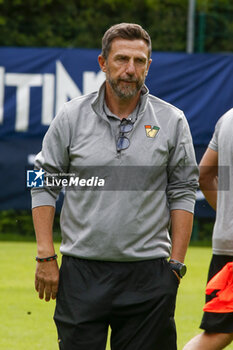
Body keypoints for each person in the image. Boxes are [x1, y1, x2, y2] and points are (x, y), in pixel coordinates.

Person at [31, 23, 198, 350]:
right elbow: (41, 181)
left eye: (139, 61)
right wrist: (45, 256)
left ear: (149, 66)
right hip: (81, 273)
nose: (130, 70)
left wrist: (175, 266)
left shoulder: (172, 120)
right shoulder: (71, 115)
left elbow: (183, 191)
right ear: (102, 62)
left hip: (149, 276)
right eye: (121, 59)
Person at [183, 109, 233, 350]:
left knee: (219, 332)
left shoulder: (227, 118)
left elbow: (204, 176)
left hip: (226, 244)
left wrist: (226, 215)